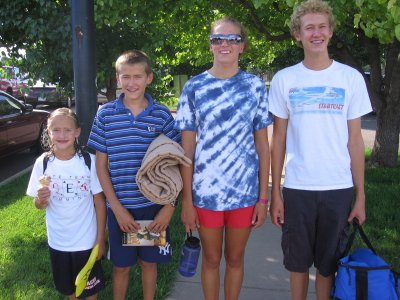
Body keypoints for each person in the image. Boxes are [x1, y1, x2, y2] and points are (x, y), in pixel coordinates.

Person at [268, 1, 373, 299]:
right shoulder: (284, 79)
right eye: (309, 27)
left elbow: (355, 141)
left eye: (322, 26)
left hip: (338, 187)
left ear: (331, 31)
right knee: (298, 264)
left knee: (328, 265)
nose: (316, 33)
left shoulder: (350, 78)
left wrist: (360, 196)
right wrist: (276, 193)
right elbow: (279, 139)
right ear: (297, 35)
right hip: (298, 187)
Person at [174, 17, 273, 300]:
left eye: (233, 39)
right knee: (211, 260)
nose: (225, 44)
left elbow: (263, 147)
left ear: (242, 46)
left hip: (245, 194)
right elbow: (187, 152)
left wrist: (263, 198)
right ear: (210, 46)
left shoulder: (255, 86)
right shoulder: (194, 87)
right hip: (206, 194)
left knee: (235, 260)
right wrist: (188, 202)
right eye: (218, 39)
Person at [87, 50, 181, 300]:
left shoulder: (161, 115)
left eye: (137, 76)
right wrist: (116, 208)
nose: (131, 83)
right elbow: (100, 166)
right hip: (120, 210)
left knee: (149, 264)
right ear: (117, 78)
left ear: (149, 78)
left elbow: (175, 164)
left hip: (152, 208)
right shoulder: (105, 115)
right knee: (122, 267)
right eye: (125, 76)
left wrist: (169, 207)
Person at [26, 108, 106, 300]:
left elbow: (99, 202)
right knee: (71, 291)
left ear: (77, 132)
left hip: (86, 241)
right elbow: (39, 205)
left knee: (90, 291)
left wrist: (100, 239)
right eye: (56, 130)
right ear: (48, 131)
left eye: (68, 130)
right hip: (59, 242)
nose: (62, 135)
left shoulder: (89, 161)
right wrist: (41, 199)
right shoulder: (42, 164)